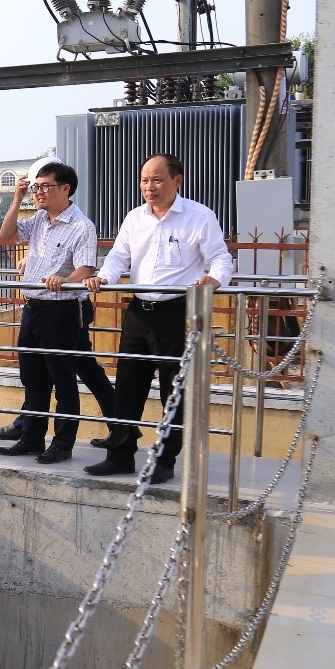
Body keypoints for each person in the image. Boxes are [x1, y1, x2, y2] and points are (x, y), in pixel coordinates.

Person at [83, 153, 233, 485]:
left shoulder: (199, 216)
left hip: (177, 314)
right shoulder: (134, 218)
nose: (149, 187)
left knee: (173, 390)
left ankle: (165, 460)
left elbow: (220, 257)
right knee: (127, 387)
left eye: (157, 179)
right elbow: (118, 256)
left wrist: (214, 279)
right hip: (138, 312)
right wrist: (104, 276)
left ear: (177, 180)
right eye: (144, 180)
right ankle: (120, 456)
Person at [0, 159, 111, 464]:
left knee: (63, 380)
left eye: (45, 186)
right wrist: (16, 200)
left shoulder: (81, 226)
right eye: (36, 187)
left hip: (61, 310)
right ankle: (31, 438)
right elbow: (6, 236)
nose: (39, 192)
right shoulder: (40, 219)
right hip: (33, 307)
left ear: (65, 188)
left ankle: (62, 443)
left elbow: (85, 268)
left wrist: (64, 278)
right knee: (33, 379)